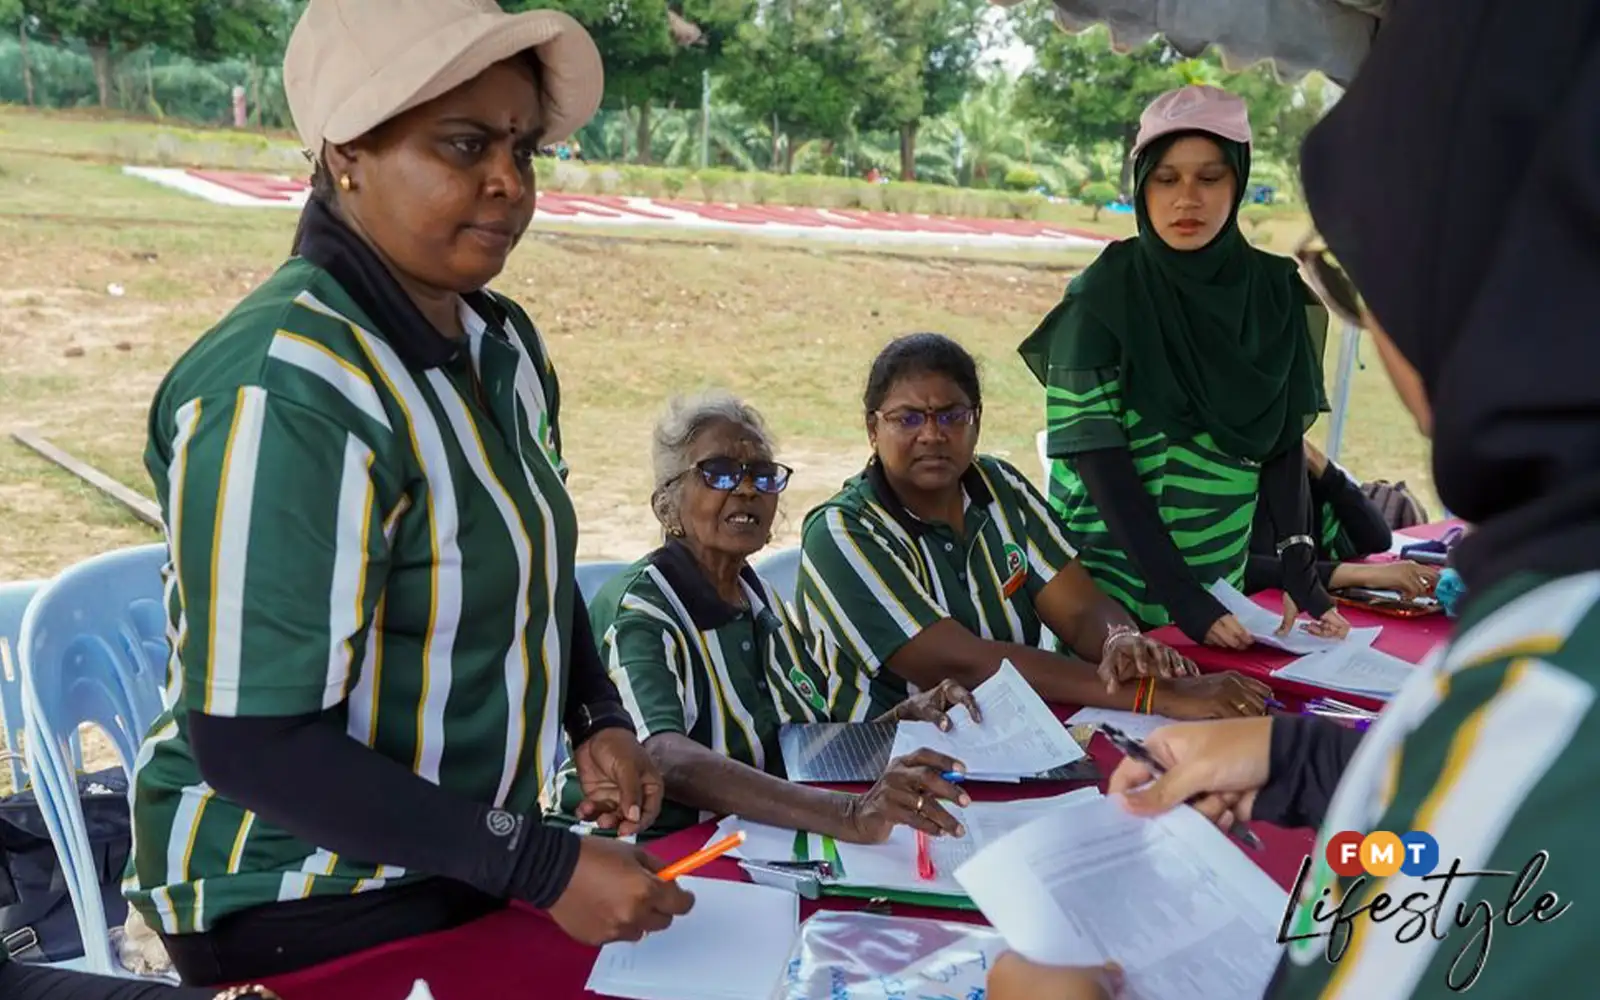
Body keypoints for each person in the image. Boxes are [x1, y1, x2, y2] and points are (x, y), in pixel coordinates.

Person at [990, 0, 1600, 995]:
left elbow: (1466, 882)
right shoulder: (1101, 304)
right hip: (1141, 601)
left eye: (1370, 278)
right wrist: (1301, 760)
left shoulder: (1544, 705)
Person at [126, 0, 693, 987]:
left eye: (523, 148)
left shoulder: (499, 345)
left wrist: (595, 715)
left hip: (457, 856)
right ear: (345, 152)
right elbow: (253, 744)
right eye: (464, 144)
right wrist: (542, 860)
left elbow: (531, 567)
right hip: (295, 894)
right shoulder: (286, 388)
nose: (509, 183)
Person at [551, 392, 974, 841]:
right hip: (638, 853)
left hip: (747, 843)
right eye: (718, 473)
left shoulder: (760, 599)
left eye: (762, 475)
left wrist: (901, 724)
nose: (748, 489)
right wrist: (849, 814)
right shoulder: (642, 609)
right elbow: (662, 756)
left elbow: (800, 750)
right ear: (666, 506)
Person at [1018, 85, 1349, 650]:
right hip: (1107, 596)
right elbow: (1104, 471)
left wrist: (1298, 557)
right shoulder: (1100, 302)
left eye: (1210, 177)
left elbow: (1281, 432)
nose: (1186, 199)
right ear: (1142, 185)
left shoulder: (1276, 295)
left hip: (1221, 584)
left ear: (1238, 181)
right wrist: (1180, 596)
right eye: (1166, 179)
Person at [796, 332, 1270, 723]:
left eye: (952, 415)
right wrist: (1158, 697)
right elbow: (963, 661)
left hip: (1011, 733)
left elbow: (1081, 610)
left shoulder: (997, 484)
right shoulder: (842, 532)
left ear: (976, 422)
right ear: (872, 429)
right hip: (888, 766)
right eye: (908, 418)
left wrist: (1118, 640)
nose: (933, 434)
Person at [1244, 439, 1440, 600]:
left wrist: (1321, 465)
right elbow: (1245, 569)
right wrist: (1362, 575)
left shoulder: (1298, 472)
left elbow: (1376, 538)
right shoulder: (1226, 478)